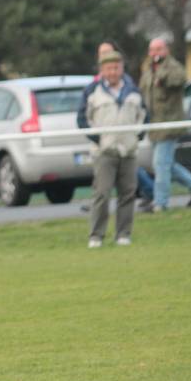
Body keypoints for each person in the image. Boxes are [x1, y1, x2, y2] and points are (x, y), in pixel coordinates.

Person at [77, 49, 148, 248]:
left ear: (121, 68)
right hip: (104, 152)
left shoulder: (133, 91)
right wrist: (99, 139)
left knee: (128, 193)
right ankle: (96, 236)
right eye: (109, 68)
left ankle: (123, 234)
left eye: (116, 68)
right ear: (102, 70)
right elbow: (82, 119)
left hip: (128, 151)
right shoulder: (92, 92)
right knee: (102, 194)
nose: (113, 72)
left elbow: (144, 116)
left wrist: (136, 137)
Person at [138, 37, 191, 211]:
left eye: (158, 49)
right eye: (152, 50)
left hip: (169, 124)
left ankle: (160, 203)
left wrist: (162, 76)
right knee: (165, 164)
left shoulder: (173, 67)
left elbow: (179, 79)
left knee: (161, 164)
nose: (155, 53)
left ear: (166, 50)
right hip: (154, 125)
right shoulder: (148, 69)